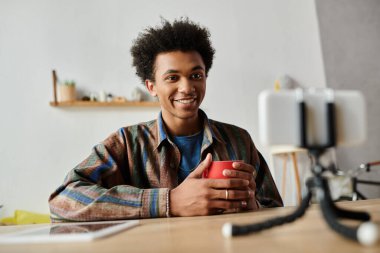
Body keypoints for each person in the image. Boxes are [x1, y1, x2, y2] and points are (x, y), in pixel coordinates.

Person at [49, 18, 283, 222]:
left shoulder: (238, 140)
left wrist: (254, 207)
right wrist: (168, 201)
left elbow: (275, 210)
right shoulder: (127, 143)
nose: (187, 87)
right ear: (152, 86)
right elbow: (63, 200)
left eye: (196, 75)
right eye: (172, 77)